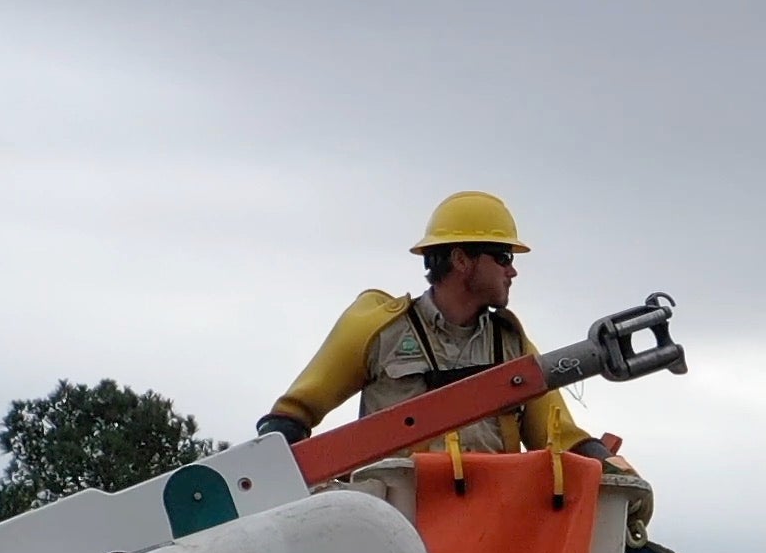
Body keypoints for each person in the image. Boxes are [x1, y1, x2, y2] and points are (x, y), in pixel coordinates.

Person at [256, 190, 605, 458]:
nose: (512, 271)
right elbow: (291, 417)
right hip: (397, 515)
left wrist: (607, 465)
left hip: (492, 518)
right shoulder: (378, 330)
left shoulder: (512, 345)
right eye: (503, 257)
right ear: (461, 259)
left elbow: (561, 437)